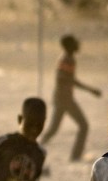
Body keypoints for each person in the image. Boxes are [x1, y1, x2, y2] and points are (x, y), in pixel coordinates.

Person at [39, 34, 101, 162]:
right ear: (69, 46)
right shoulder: (67, 60)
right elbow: (64, 78)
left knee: (53, 129)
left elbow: (68, 79)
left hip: (62, 98)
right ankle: (75, 156)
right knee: (83, 126)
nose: (77, 45)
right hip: (64, 99)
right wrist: (91, 90)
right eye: (74, 43)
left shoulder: (68, 58)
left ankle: (37, 148)